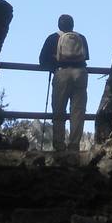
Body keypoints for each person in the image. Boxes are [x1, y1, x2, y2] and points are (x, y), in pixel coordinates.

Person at [38, 14, 90, 152]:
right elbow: (86, 57)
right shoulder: (81, 38)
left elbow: (42, 61)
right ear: (73, 25)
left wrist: (53, 64)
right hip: (80, 73)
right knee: (78, 111)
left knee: (59, 110)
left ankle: (59, 144)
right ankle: (74, 145)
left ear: (58, 25)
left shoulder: (53, 38)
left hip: (61, 74)